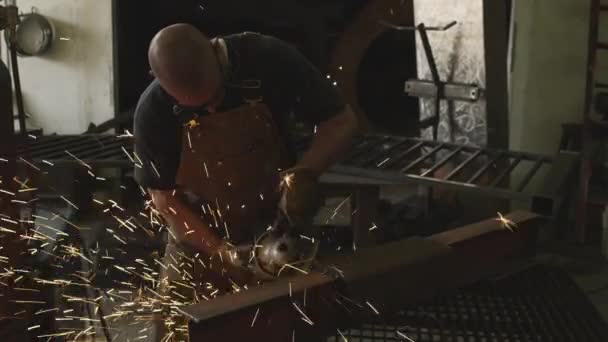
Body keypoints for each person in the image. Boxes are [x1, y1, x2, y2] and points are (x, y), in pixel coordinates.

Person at [133, 23, 360, 340]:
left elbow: (342, 122)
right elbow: (164, 201)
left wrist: (304, 173)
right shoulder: (153, 110)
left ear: (215, 50)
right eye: (196, 107)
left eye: (216, 95)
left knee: (295, 325)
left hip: (278, 230)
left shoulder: (268, 58)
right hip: (197, 239)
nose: (211, 108)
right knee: (176, 330)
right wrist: (222, 252)